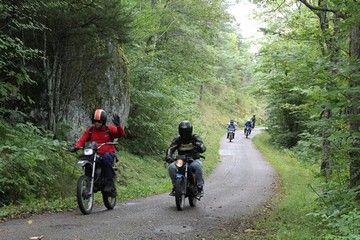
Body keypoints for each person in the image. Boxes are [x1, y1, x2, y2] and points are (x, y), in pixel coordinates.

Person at [70, 109, 125, 197]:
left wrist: (118, 126)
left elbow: (120, 134)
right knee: (85, 159)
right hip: (94, 153)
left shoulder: (109, 129)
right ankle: (88, 182)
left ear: (103, 121)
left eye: (99, 121)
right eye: (95, 121)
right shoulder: (90, 130)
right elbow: (82, 140)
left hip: (107, 152)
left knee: (107, 158)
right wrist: (76, 147)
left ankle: (109, 183)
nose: (96, 123)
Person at [165, 121, 206, 197]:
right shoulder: (178, 139)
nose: (184, 133)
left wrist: (199, 145)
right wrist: (168, 157)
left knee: (198, 166)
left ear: (190, 130)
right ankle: (175, 186)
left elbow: (203, 147)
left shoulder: (194, 138)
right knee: (171, 168)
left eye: (186, 131)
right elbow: (170, 148)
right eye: (182, 131)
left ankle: (200, 187)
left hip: (194, 160)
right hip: (181, 161)